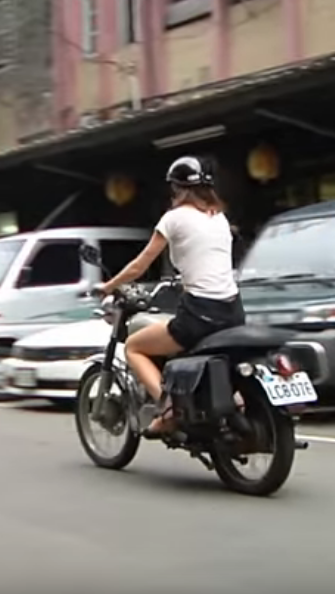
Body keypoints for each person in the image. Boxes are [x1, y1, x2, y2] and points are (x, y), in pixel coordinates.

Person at [97, 156, 244, 437]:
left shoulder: (174, 218)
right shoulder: (220, 218)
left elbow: (140, 266)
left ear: (180, 189)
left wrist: (108, 286)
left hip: (200, 314)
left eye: (173, 189)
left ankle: (168, 410)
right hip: (233, 312)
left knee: (134, 347)